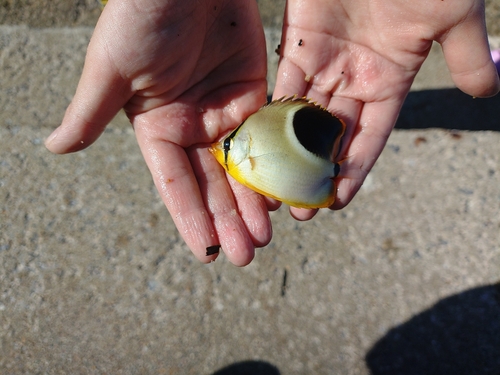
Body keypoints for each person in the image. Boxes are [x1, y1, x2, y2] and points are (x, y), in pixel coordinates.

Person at [45, 0, 499, 266]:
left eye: (225, 147)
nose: (221, 150)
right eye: (224, 146)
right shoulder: (242, 146)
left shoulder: (240, 153)